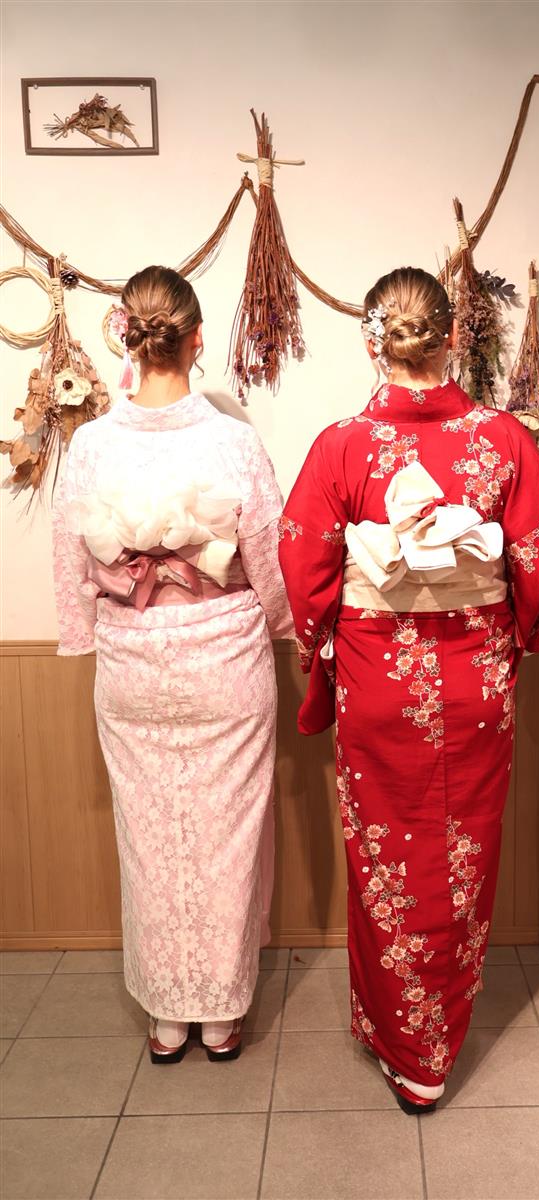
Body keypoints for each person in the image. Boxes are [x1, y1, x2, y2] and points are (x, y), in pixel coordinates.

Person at [278, 266, 539, 1111]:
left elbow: (304, 566)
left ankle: (401, 1041)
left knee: (387, 862)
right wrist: (517, 641)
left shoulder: (341, 445)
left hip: (378, 681)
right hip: (475, 681)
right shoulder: (503, 440)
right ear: (453, 336)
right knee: (461, 856)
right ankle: (435, 1045)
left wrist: (324, 646)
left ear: (374, 342)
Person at [52, 266, 292, 1064]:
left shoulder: (92, 444)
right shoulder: (232, 440)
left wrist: (83, 634)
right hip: (224, 655)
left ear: (127, 339)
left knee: (149, 838)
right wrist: (285, 625)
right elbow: (268, 553)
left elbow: (70, 556)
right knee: (229, 834)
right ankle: (219, 1015)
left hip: (133, 658)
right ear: (196, 341)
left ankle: (166, 1017)